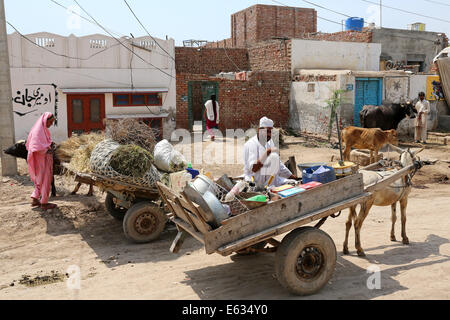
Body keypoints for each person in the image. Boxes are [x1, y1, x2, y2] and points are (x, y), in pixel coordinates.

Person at [243, 116, 298, 188]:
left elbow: (279, 164)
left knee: (294, 183)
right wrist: (268, 151)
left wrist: (292, 176)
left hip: (271, 182)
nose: (269, 135)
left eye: (270, 132)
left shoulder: (269, 142)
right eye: (267, 131)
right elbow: (254, 168)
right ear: (259, 130)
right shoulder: (251, 144)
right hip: (255, 183)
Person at [26, 112, 57, 211]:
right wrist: (48, 150)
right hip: (42, 159)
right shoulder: (38, 131)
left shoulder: (42, 130)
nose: (51, 124)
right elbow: (36, 146)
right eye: (51, 122)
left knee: (39, 179)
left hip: (39, 159)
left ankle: (35, 199)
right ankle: (44, 203)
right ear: (45, 120)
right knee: (46, 180)